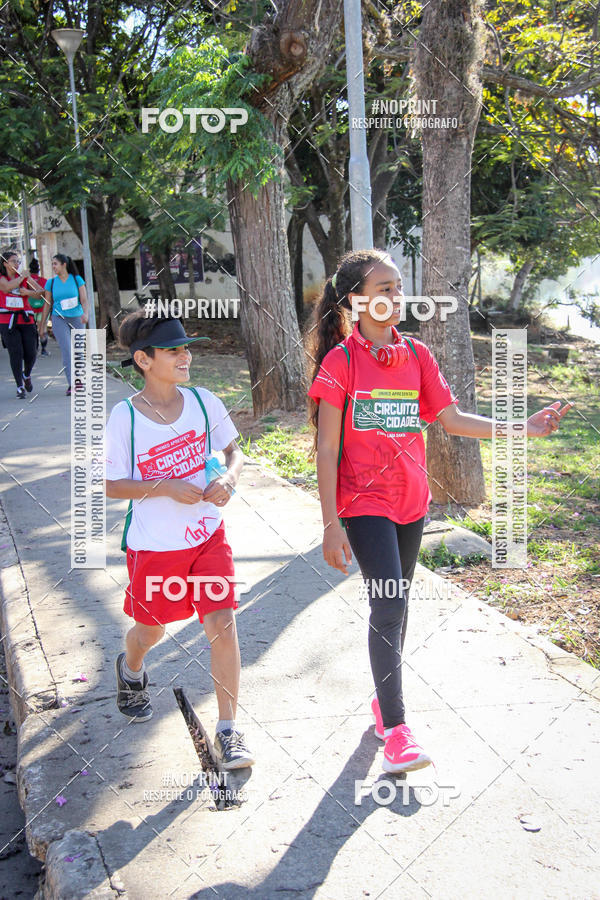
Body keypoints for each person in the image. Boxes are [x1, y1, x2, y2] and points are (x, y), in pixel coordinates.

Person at [308, 248, 572, 774]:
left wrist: (524, 426)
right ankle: (398, 730)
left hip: (412, 502)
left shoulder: (418, 357)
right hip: (363, 503)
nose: (396, 296)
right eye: (383, 289)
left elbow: (451, 421)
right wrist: (330, 522)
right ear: (356, 301)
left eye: (398, 286)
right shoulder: (342, 363)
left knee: (398, 606)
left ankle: (384, 706)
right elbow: (328, 448)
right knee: (387, 603)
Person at [104, 310, 254, 770]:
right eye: (173, 350)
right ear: (144, 360)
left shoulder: (205, 401)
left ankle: (228, 729)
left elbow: (234, 452)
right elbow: (111, 485)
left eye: (186, 347)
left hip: (208, 537)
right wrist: (165, 487)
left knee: (222, 626)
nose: (185, 356)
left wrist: (228, 479)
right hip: (155, 547)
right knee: (151, 630)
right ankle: (130, 669)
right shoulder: (125, 417)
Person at [40, 253, 89, 395]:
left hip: (77, 318)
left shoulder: (76, 279)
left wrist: (86, 314)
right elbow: (47, 304)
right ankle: (72, 384)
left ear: (64, 264)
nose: (53, 267)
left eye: (55, 263)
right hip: (59, 319)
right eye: (52, 264)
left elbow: (84, 300)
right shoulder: (51, 282)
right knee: (67, 351)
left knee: (79, 352)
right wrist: (42, 325)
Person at [0, 249, 38, 398]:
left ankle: (26, 374)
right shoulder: (3, 277)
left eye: (18, 261)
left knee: (31, 352)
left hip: (25, 318)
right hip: (7, 320)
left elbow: (40, 291)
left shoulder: (24, 278)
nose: (17, 263)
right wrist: (22, 276)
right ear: (5, 263)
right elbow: (7, 287)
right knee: (15, 353)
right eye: (13, 261)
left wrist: (28, 292)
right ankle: (19, 386)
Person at [27, 258, 50, 356]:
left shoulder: (26, 280)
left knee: (32, 330)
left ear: (29, 270)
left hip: (30, 308)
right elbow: (48, 295)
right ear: (38, 269)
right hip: (42, 308)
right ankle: (44, 350)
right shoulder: (44, 281)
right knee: (42, 329)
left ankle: (34, 349)